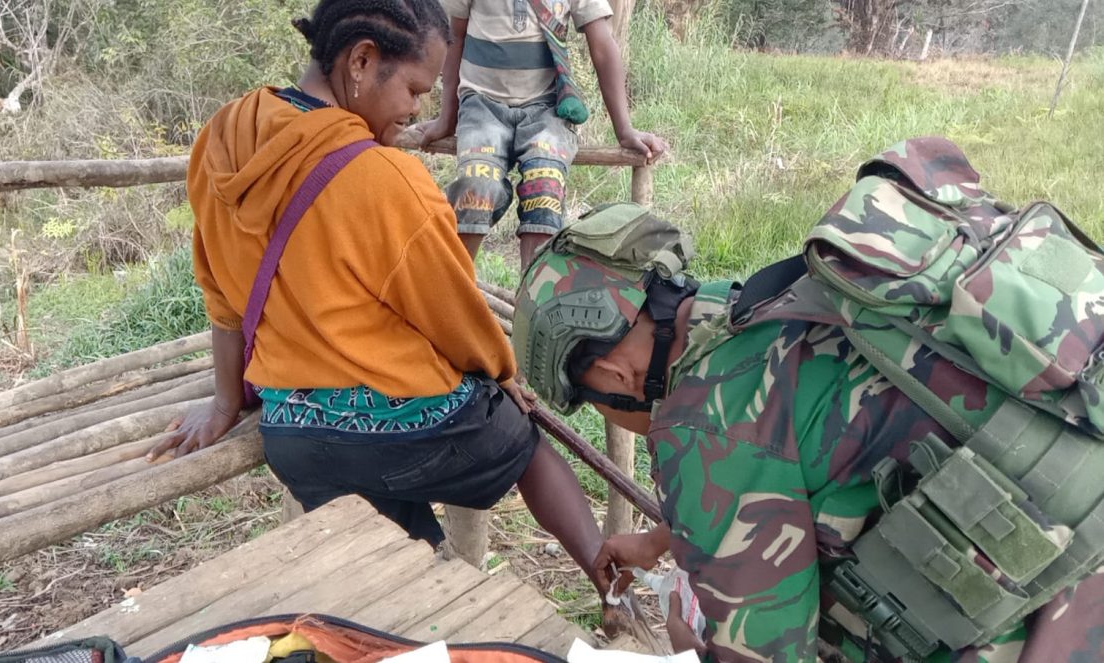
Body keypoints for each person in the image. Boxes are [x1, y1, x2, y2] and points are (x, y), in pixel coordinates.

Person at [145, 0, 623, 629]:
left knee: (401, 553)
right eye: (415, 88)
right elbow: (455, 317)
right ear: (362, 61)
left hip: (296, 435)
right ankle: (616, 587)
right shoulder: (386, 179)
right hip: (417, 430)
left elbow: (222, 295)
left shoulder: (224, 136)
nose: (419, 110)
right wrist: (507, 376)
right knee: (525, 443)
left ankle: (403, 602)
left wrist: (226, 403)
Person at [511, 203, 1104, 662]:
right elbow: (785, 449)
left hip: (1061, 589)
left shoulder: (698, 423)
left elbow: (764, 651)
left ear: (614, 375)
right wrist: (664, 539)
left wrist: (694, 639)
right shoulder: (744, 306)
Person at [415, 0, 667, 269]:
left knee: (544, 187)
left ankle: (531, 299)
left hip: (546, 108)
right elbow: (455, 39)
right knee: (476, 185)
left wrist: (625, 130)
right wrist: (447, 119)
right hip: (481, 104)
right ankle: (454, 291)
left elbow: (603, 47)